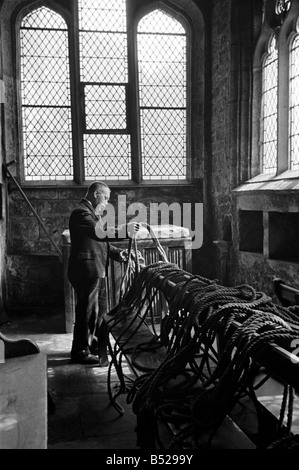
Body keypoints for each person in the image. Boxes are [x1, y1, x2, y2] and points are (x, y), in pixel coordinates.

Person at [68, 181, 138, 366]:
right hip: (86, 271)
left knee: (98, 311)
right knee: (87, 311)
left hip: (95, 269)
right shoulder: (81, 212)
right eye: (105, 197)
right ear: (95, 193)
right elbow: (99, 234)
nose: (106, 202)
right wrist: (126, 231)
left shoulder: (91, 213)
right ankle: (80, 352)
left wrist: (118, 253)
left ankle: (93, 345)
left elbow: (100, 243)